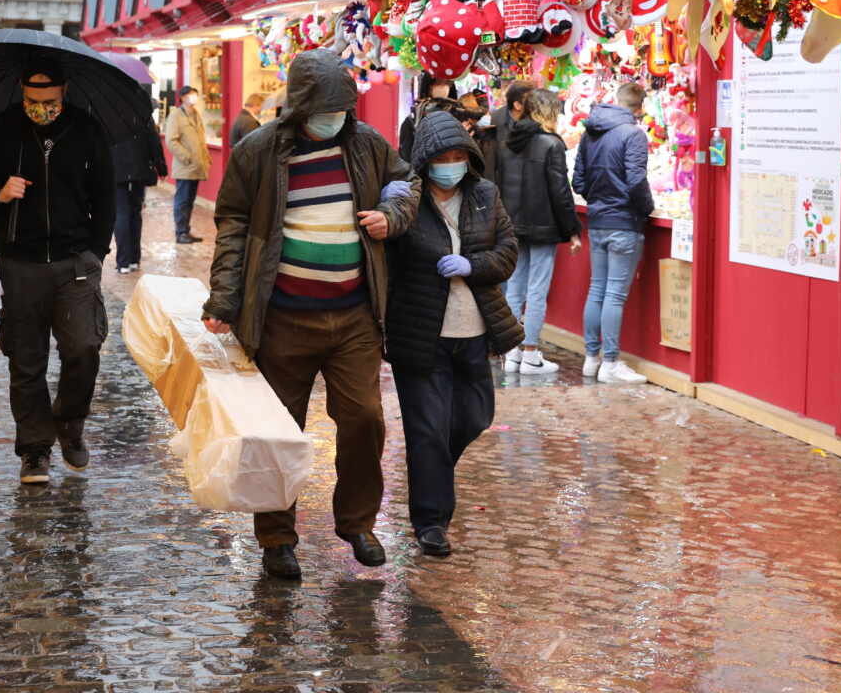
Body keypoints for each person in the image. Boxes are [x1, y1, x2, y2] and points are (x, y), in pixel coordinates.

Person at [201, 50, 419, 581]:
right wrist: (224, 299)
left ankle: (358, 523)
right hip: (282, 318)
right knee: (278, 431)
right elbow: (232, 221)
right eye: (327, 110)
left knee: (366, 419)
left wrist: (392, 215)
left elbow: (406, 183)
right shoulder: (258, 151)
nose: (337, 118)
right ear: (300, 107)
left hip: (354, 316)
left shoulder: (366, 144)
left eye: (344, 108)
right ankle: (276, 538)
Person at [0, 58, 116, 484]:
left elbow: (105, 197)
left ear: (63, 93)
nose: (40, 107)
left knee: (83, 348)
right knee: (26, 361)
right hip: (20, 262)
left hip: (75, 261)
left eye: (48, 100)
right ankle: (34, 450)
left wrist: (96, 253)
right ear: (21, 91)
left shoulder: (86, 129)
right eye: (31, 99)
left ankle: (70, 422)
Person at [386, 111, 522, 558]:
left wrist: (473, 265)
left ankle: (432, 474)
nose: (451, 163)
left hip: (475, 331)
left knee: (472, 419)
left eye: (458, 155)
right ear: (425, 161)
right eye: (442, 156)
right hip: (421, 335)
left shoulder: (484, 195)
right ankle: (432, 522)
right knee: (427, 430)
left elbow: (507, 252)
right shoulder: (408, 200)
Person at [571, 82, 653, 385]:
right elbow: (636, 180)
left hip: (598, 220)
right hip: (624, 222)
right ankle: (610, 363)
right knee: (615, 295)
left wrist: (599, 198)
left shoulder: (590, 132)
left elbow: (577, 182)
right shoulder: (633, 135)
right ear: (639, 108)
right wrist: (645, 208)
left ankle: (591, 359)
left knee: (597, 289)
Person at [498, 88, 583, 375]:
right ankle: (531, 352)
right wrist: (572, 229)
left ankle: (511, 352)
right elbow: (560, 191)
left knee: (514, 288)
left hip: (514, 224)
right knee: (537, 290)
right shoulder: (551, 144)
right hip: (543, 226)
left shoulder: (510, 142)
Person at [112, 116, 167, 274]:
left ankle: (123, 262)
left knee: (121, 214)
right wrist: (161, 167)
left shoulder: (108, 113)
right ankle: (134, 259)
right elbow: (154, 142)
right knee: (135, 213)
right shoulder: (142, 113)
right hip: (138, 171)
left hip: (117, 172)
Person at [164, 85, 210, 244]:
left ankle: (186, 231)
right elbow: (171, 141)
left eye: (195, 95)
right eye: (191, 95)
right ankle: (181, 232)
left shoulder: (196, 114)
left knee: (189, 201)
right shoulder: (176, 115)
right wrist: (187, 157)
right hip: (185, 166)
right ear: (182, 97)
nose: (194, 98)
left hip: (197, 166)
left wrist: (206, 158)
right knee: (182, 200)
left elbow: (200, 140)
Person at [398, 73, 458, 164]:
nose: (443, 88)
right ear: (429, 86)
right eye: (439, 83)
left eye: (447, 83)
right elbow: (406, 156)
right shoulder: (413, 120)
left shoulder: (458, 115)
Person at [484, 79, 536, 180]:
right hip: (503, 181)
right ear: (517, 105)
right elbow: (491, 158)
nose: (535, 104)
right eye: (531, 101)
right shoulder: (496, 119)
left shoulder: (537, 119)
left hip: (529, 179)